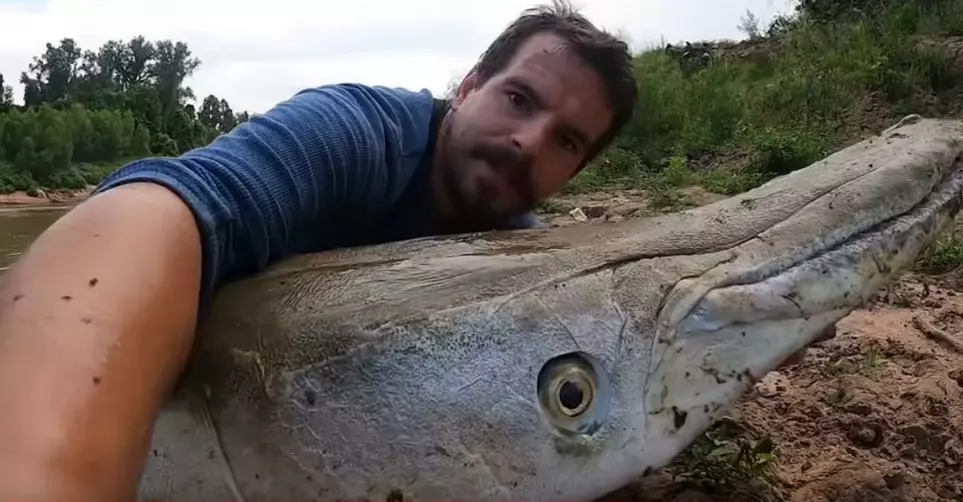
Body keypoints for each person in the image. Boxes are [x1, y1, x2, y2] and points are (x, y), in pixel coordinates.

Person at [0, 1, 637, 498]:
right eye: (519, 99)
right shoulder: (355, 133)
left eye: (568, 142)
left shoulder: (518, 251)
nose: (529, 140)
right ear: (469, 86)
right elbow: (173, 207)